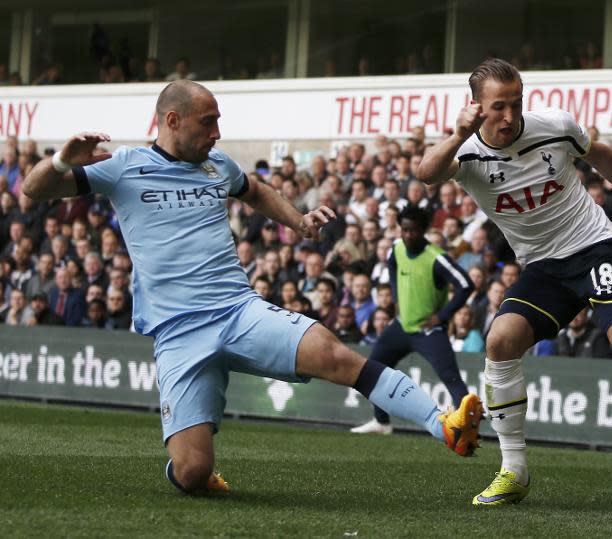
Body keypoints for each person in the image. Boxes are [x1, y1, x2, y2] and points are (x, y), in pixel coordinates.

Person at [22, 80, 483, 496]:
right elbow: (34, 189)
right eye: (209, 122)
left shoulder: (217, 165)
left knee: (333, 352)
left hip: (238, 311)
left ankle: (443, 424)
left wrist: (299, 221)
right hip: (179, 334)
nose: (217, 133)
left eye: (219, 122)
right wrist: (62, 160)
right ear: (172, 121)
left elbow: (257, 192)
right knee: (193, 473)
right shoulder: (124, 167)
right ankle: (190, 471)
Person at [417, 58, 612, 506]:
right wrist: (456, 135)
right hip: (542, 267)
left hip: (594, 247)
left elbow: (598, 154)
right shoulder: (465, 153)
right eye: (499, 107)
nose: (511, 116)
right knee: (500, 341)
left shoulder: (555, 126)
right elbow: (425, 174)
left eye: (517, 102)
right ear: (476, 108)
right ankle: (514, 471)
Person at [351, 206, 474, 434]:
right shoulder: (397, 249)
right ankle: (381, 422)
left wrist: (442, 316)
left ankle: (466, 430)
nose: (408, 235)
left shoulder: (437, 258)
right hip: (401, 326)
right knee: (372, 369)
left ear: (424, 230)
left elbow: (466, 285)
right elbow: (392, 264)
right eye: (404, 230)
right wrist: (397, 298)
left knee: (451, 379)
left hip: (429, 331)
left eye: (414, 231)